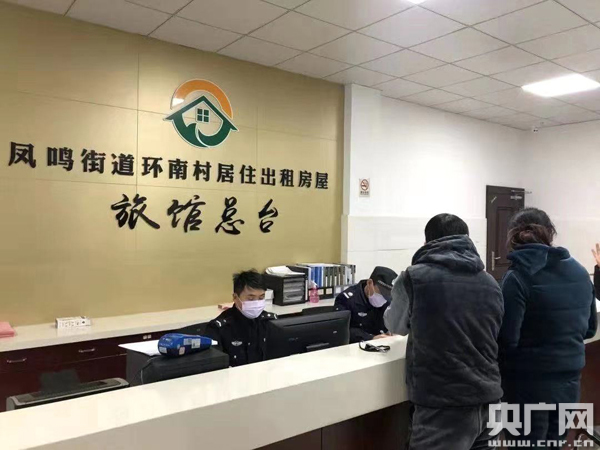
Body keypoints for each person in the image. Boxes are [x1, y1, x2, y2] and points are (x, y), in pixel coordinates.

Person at [385, 213, 504, 450]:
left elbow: (394, 325)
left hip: (443, 407)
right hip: (490, 402)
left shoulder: (413, 277)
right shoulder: (490, 282)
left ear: (427, 242)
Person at [500, 208, 597, 447]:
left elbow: (507, 340)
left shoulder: (517, 277)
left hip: (526, 385)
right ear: (550, 234)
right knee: (556, 443)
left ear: (512, 236)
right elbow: (589, 329)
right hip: (569, 382)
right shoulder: (579, 271)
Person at [205, 270, 276, 367]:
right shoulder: (218, 328)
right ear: (235, 297)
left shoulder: (270, 322)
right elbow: (214, 366)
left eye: (261, 298)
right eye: (250, 298)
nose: (256, 303)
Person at [334, 266, 398, 343]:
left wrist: (393, 330)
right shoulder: (346, 299)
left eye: (387, 295)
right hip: (356, 346)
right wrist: (371, 338)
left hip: (383, 344)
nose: (383, 298)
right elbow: (341, 330)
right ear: (369, 283)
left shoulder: (388, 300)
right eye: (381, 292)